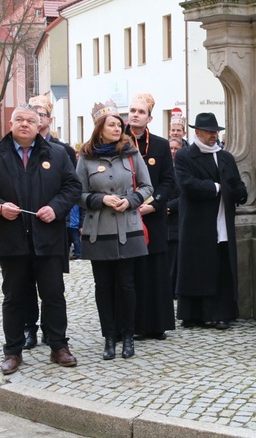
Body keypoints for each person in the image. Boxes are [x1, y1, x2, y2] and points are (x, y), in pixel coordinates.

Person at [0, 103, 81, 375]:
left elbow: (73, 186)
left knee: (53, 294)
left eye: (31, 120)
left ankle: (58, 346)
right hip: (11, 238)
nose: (25, 124)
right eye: (20, 120)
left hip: (49, 238)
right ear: (11, 123)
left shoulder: (57, 153)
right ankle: (13, 351)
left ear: (40, 124)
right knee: (14, 296)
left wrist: (56, 207)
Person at [76, 100, 153, 360]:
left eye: (120, 125)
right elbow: (77, 193)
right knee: (103, 286)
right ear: (100, 128)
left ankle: (128, 337)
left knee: (127, 285)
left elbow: (146, 187)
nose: (118, 128)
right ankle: (109, 337)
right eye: (112, 124)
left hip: (127, 227)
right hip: (99, 230)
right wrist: (100, 200)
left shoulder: (131, 154)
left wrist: (130, 201)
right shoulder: (86, 157)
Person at [175, 113, 247, 330]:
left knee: (221, 267)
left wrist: (240, 192)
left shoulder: (225, 157)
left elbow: (236, 183)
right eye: (209, 131)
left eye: (215, 132)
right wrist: (216, 187)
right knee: (197, 267)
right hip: (197, 221)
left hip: (222, 219)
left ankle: (221, 313)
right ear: (197, 132)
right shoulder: (185, 156)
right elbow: (187, 185)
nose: (213, 136)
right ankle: (194, 314)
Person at [23, 95, 78, 348]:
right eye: (31, 113)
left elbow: (72, 187)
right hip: (21, 230)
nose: (37, 118)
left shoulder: (62, 151)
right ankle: (28, 328)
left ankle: (53, 333)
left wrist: (56, 209)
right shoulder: (15, 149)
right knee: (23, 286)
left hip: (52, 228)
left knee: (52, 287)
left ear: (48, 119)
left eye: (41, 114)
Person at [124, 93, 176, 340]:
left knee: (154, 271)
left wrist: (154, 205)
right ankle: (130, 324)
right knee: (130, 272)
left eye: (141, 112)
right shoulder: (116, 140)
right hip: (123, 214)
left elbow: (168, 181)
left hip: (152, 216)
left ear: (149, 118)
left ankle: (156, 324)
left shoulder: (160, 145)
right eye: (133, 110)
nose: (135, 114)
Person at [167, 137, 183, 295]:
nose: (172, 152)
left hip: (177, 218)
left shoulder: (183, 169)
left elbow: (185, 194)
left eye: (176, 148)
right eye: (170, 148)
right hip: (164, 219)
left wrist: (171, 206)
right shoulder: (165, 168)